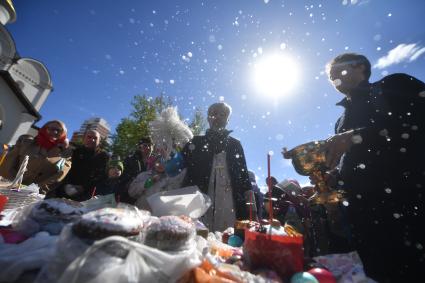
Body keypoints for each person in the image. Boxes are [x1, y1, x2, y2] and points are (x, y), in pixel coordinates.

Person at [320, 53, 425, 281]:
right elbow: (353, 159)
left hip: (408, 205)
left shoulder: (394, 85)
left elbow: (417, 124)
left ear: (360, 67)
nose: (332, 77)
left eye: (337, 70)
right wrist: (333, 177)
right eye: (330, 76)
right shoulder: (340, 120)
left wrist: (359, 136)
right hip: (362, 217)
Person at [182, 102, 252, 232]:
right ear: (208, 118)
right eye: (214, 114)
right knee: (197, 236)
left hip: (229, 201)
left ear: (228, 119)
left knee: (228, 238)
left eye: (223, 114)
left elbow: (244, 176)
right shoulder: (195, 142)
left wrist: (251, 206)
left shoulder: (235, 144)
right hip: (199, 199)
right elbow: (177, 166)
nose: (218, 117)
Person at [128, 107, 193, 210]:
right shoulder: (144, 175)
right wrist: (148, 182)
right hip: (141, 216)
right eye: (159, 161)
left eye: (168, 158)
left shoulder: (177, 175)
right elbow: (131, 192)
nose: (161, 162)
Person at [0, 120, 71, 194]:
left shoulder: (64, 155)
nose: (55, 132)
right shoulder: (26, 143)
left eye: (59, 130)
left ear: (63, 134)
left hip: (32, 195)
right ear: (44, 129)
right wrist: (13, 183)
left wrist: (34, 190)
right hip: (8, 187)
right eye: (51, 129)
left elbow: (58, 177)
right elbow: (9, 162)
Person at [56, 129, 109, 201]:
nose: (92, 140)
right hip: (65, 190)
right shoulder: (75, 151)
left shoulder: (103, 156)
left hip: (86, 195)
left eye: (95, 138)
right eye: (89, 137)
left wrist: (83, 187)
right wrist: (66, 185)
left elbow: (101, 176)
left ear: (99, 141)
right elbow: (66, 169)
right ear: (84, 138)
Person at [119, 137, 156, 203]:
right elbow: (122, 179)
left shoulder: (156, 162)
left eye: (150, 145)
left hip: (148, 198)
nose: (148, 148)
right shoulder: (130, 160)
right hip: (128, 198)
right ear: (140, 147)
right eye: (145, 145)